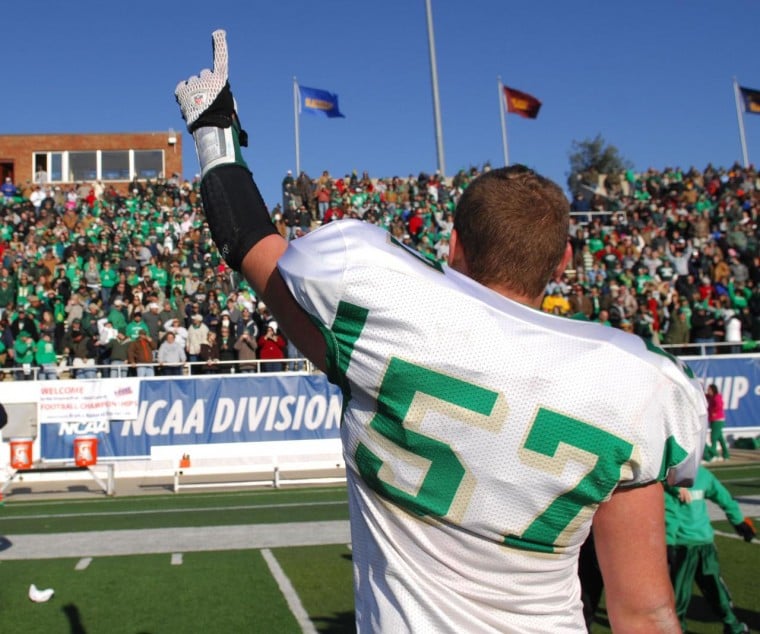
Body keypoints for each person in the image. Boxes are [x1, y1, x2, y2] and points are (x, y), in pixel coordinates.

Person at [175, 31, 707, 632]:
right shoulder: (632, 384)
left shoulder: (382, 330)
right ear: (563, 264)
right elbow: (645, 609)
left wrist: (215, 136)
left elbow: (249, 244)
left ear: (454, 246)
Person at [664, 466, 755, 633]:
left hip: (705, 545)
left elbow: (723, 496)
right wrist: (668, 542)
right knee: (678, 596)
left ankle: (733, 626)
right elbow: (669, 513)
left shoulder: (703, 475)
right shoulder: (669, 480)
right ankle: (677, 629)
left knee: (717, 591)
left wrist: (738, 521)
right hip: (681, 546)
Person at [705, 384, 730, 461]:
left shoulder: (717, 397)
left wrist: (714, 412)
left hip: (718, 420)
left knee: (713, 438)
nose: (708, 391)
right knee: (720, 438)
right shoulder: (711, 397)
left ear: (713, 390)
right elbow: (704, 395)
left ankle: (713, 454)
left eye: (709, 389)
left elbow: (720, 405)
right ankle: (726, 455)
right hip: (713, 420)